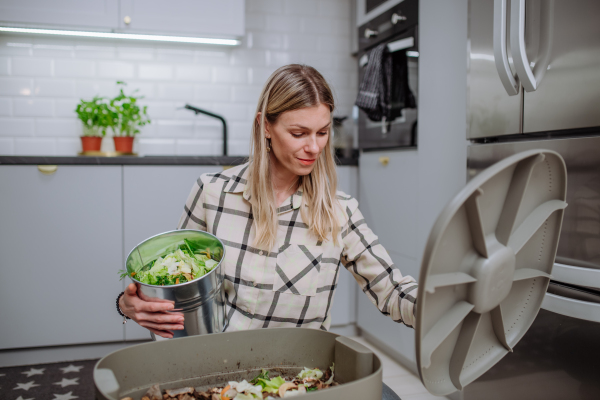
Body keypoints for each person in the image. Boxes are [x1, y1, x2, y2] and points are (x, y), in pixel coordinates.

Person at [118, 64, 418, 338]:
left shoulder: (339, 211)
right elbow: (175, 286)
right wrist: (127, 304)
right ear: (265, 126)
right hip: (218, 371)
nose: (314, 147)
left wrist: (444, 306)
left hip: (296, 377)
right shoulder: (212, 194)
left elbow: (392, 291)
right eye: (299, 133)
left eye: (323, 132)